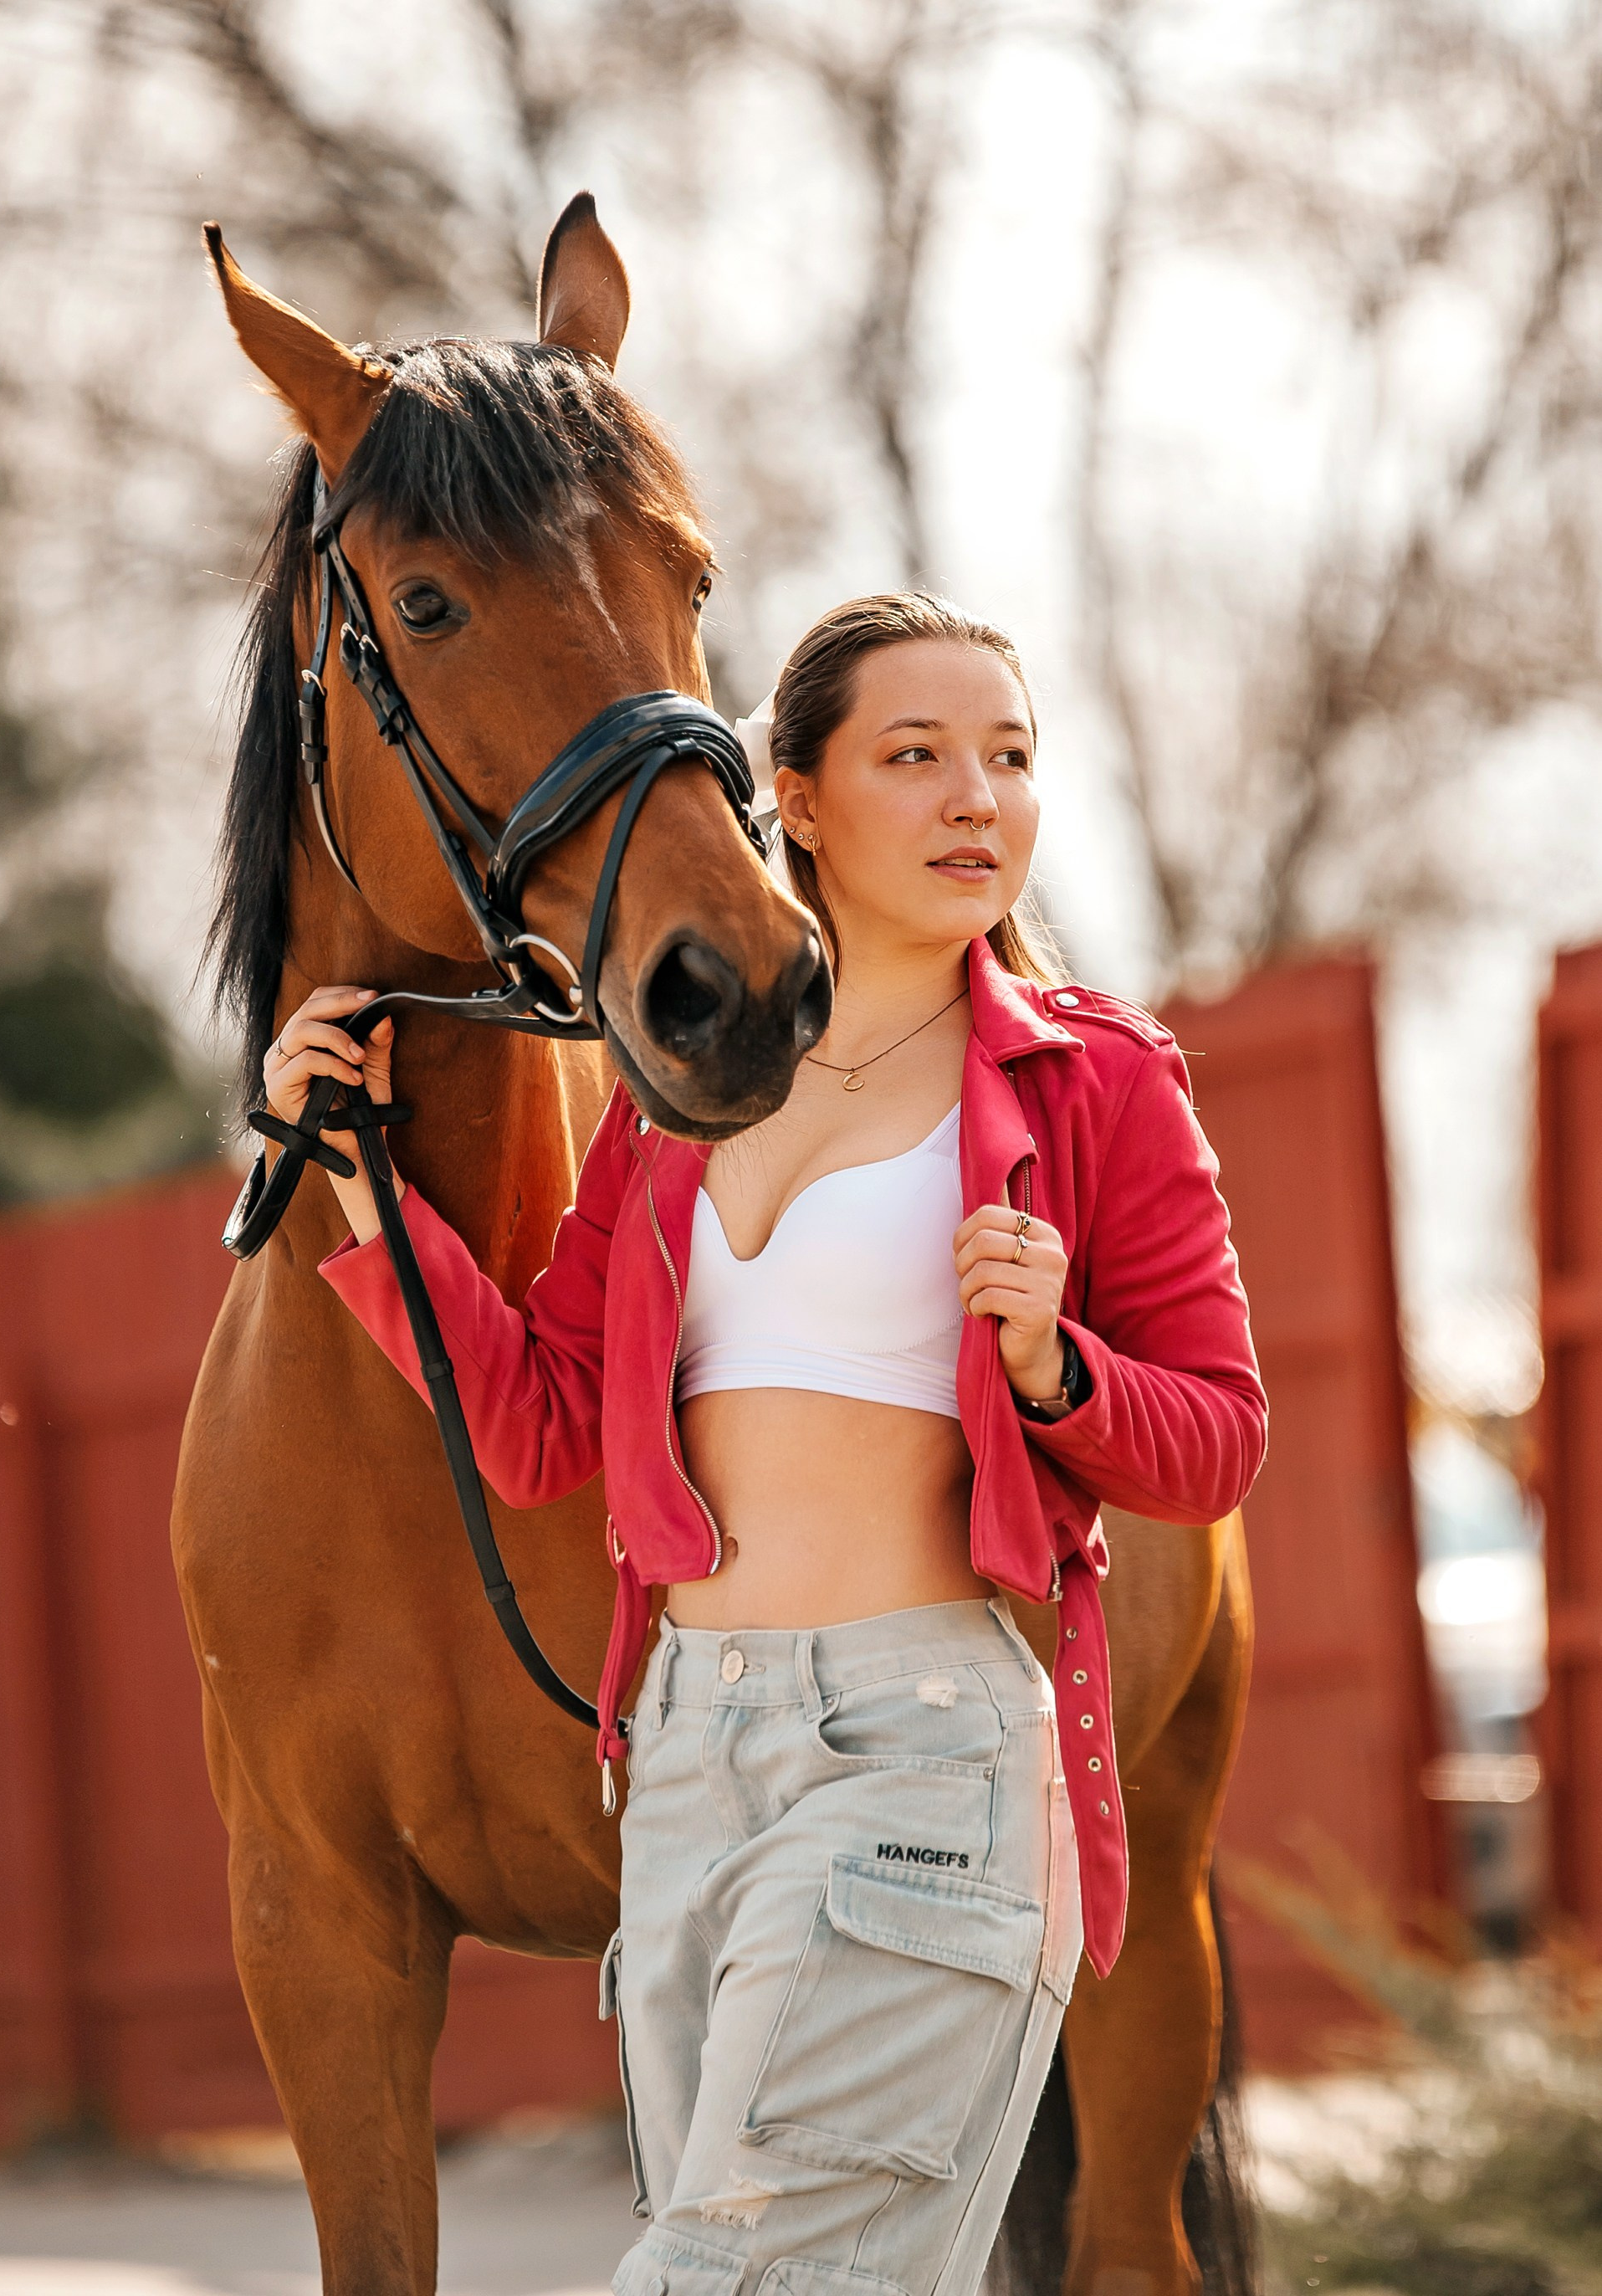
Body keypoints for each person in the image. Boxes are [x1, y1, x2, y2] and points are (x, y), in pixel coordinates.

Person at [263, 592, 1267, 2296]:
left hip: (918, 1754)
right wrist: (354, 1181)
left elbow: (1215, 1444)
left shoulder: (1094, 1086)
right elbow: (536, 1428)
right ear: (788, 795)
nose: (978, 800)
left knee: (720, 2276)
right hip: (685, 1774)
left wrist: (1047, 1365)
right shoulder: (675, 1111)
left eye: (1010, 759)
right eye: (917, 756)